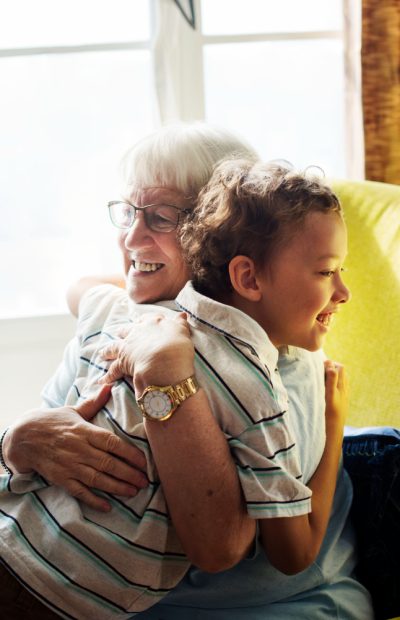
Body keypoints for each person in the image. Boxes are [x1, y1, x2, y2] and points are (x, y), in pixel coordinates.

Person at [0, 125, 373, 619]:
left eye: (159, 217)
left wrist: (162, 377)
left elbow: (234, 549)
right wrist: (15, 440)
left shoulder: (271, 372)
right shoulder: (124, 318)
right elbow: (86, 292)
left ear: (218, 231)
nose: (132, 236)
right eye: (129, 212)